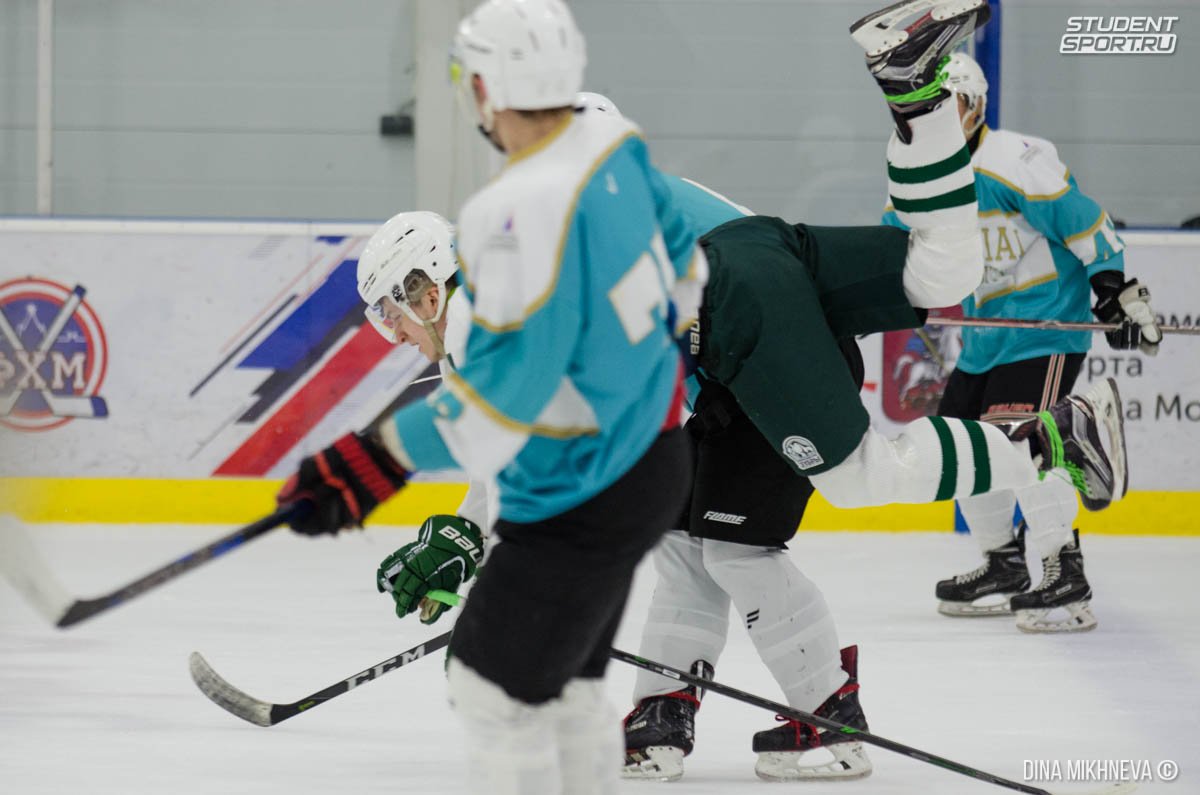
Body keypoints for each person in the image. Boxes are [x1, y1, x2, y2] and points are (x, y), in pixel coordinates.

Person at [274, 1, 708, 794]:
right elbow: (688, 275)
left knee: (489, 686)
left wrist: (369, 464)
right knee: (570, 684)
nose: (395, 333)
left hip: (590, 479)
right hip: (651, 461)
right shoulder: (618, 155)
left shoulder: (509, 214)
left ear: (485, 87)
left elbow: (497, 409)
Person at [882, 52, 1162, 633]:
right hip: (984, 338)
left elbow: (1082, 221)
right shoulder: (924, 173)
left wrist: (1116, 291)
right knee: (961, 445)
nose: (939, 118)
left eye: (950, 104)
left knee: (1022, 443)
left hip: (1044, 330)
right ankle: (1002, 563)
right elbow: (896, 245)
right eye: (930, 108)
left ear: (974, 105)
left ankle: (1066, 572)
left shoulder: (1013, 159)